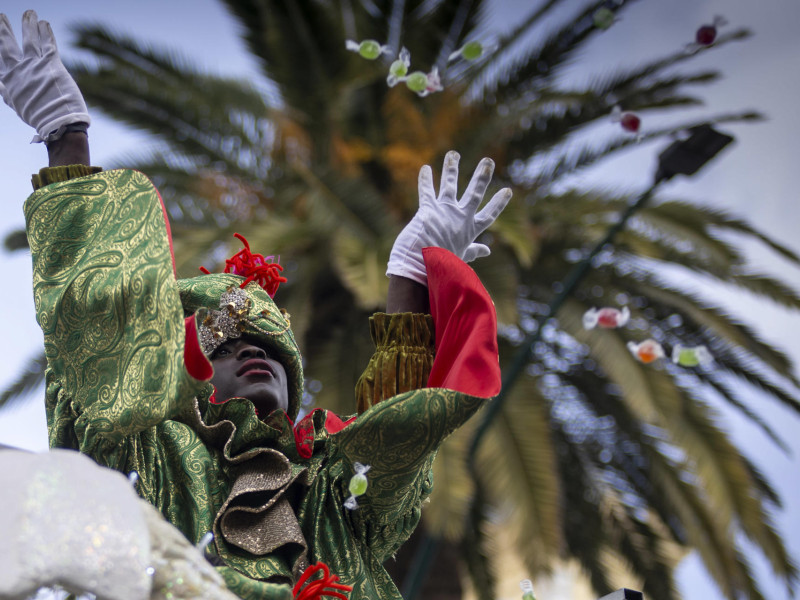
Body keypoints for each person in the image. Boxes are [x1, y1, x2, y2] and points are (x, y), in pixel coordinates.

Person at [0, 10, 512, 600]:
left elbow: (395, 435)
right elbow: (99, 344)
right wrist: (67, 135)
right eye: (226, 343)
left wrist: (409, 274)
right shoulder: (149, 448)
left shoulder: (328, 494)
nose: (253, 353)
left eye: (269, 347)